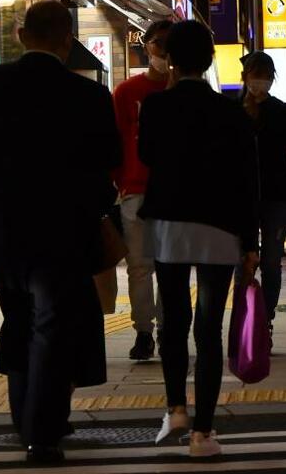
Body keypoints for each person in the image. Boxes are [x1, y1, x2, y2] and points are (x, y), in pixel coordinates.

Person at [0, 1, 122, 466]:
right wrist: (99, 212)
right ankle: (41, 432)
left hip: (0, 231)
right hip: (64, 231)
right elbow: (107, 168)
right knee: (51, 325)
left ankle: (26, 418)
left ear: (21, 35)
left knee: (21, 319)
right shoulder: (89, 96)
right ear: (66, 41)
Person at [138, 21, 259, 460]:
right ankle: (203, 434)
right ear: (210, 60)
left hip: (170, 220)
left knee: (173, 317)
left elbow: (148, 156)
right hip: (220, 225)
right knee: (208, 326)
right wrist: (251, 241)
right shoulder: (232, 112)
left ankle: (175, 408)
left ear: (170, 59)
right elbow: (248, 180)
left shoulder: (156, 107)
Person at [113, 19, 173, 361]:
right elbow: (115, 141)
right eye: (157, 42)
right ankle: (143, 331)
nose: (162, 50)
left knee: (169, 264)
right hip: (134, 188)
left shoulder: (181, 90)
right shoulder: (126, 92)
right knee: (140, 266)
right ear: (145, 45)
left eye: (168, 43)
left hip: (172, 191)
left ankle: (166, 328)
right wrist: (119, 182)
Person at [240, 51, 286, 332]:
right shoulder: (232, 109)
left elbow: (280, 141)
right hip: (240, 198)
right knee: (242, 262)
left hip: (276, 195)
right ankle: (243, 319)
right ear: (245, 77)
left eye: (265, 76)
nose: (259, 82)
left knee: (271, 261)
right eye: (254, 75)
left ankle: (266, 319)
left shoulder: (284, 111)